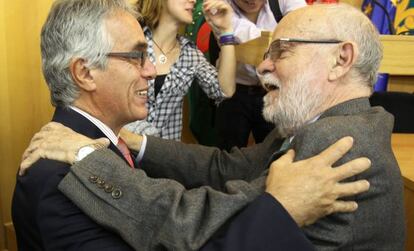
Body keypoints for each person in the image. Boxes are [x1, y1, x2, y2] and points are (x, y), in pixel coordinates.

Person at [18, 3, 383, 250]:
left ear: (342, 59)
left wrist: (279, 206)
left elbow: (216, 204)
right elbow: (229, 173)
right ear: (84, 72)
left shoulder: (333, 140)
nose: (262, 67)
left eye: (281, 51)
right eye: (136, 56)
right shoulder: (59, 179)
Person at [125, 0, 236, 140]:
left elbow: (225, 91)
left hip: (165, 156)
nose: (193, 1)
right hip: (123, 151)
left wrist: (226, 31)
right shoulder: (131, 41)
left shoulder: (190, 54)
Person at [215, 0, 306, 151]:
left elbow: (303, 27)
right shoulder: (218, 7)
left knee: (274, 152)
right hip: (234, 93)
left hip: (274, 91)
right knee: (228, 151)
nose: (252, 1)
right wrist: (282, 40)